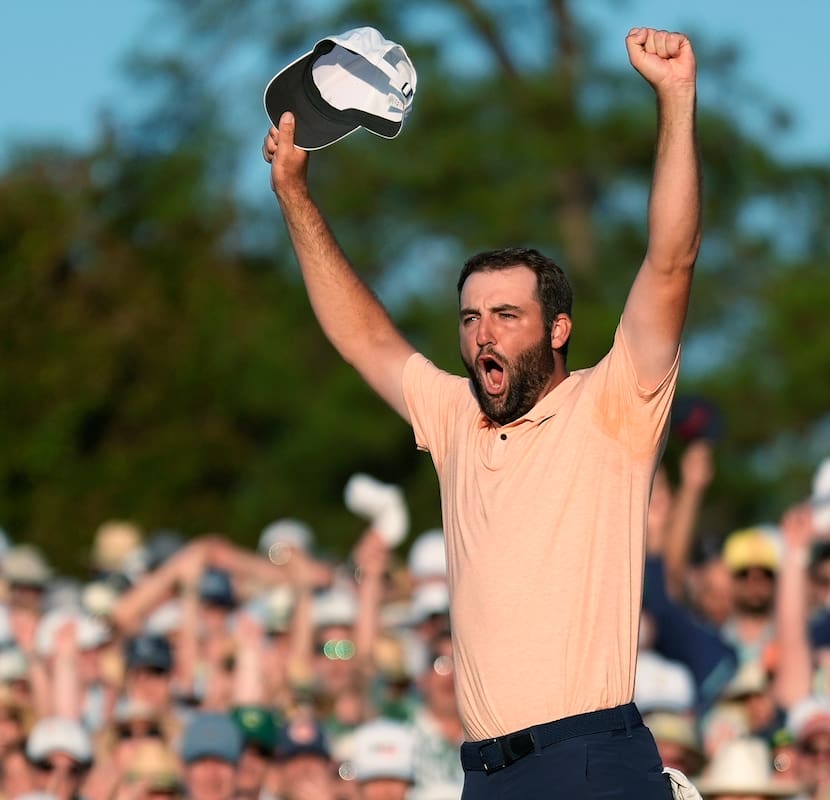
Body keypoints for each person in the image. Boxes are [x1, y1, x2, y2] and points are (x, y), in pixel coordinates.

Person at [262, 24, 701, 800]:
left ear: (558, 329)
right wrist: (295, 197)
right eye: (469, 318)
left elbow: (669, 259)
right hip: (486, 775)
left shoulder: (613, 404)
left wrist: (675, 99)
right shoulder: (457, 418)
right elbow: (364, 337)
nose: (482, 333)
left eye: (506, 315)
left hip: (591, 757)